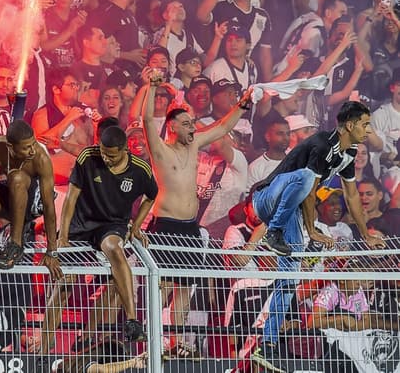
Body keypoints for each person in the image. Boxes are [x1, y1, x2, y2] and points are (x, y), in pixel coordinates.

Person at [249, 101, 387, 372]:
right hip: (267, 198)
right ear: (350, 125)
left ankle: (268, 344)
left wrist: (365, 235)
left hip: (291, 210)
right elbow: (310, 189)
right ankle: (273, 232)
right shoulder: (324, 144)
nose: (368, 130)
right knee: (303, 177)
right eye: (365, 125)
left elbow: (351, 196)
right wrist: (312, 231)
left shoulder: (349, 153)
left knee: (289, 277)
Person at [141, 66, 252, 356]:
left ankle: (176, 343)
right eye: (186, 124)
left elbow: (222, 128)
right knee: (161, 287)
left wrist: (242, 106)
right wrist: (151, 87)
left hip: (189, 228)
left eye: (192, 123)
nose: (193, 128)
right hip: (165, 227)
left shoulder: (194, 146)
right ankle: (153, 344)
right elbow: (146, 120)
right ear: (173, 127)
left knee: (183, 289)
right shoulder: (160, 150)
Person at [58, 125, 157, 343]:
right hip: (81, 224)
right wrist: (62, 236)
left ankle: (132, 321)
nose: (105, 158)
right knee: (61, 288)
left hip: (112, 225)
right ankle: (44, 350)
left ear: (124, 150)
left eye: (111, 155)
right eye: (103, 152)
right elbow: (71, 198)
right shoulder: (87, 156)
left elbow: (151, 196)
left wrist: (136, 226)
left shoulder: (140, 169)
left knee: (114, 249)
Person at [0, 120, 61, 274]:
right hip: (13, 200)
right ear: (10, 147)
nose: (32, 151)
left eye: (33, 144)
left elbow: (48, 206)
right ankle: (20, 225)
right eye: (26, 147)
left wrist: (52, 251)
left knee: (17, 177)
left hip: (34, 203)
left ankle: (16, 243)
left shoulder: (41, 157)